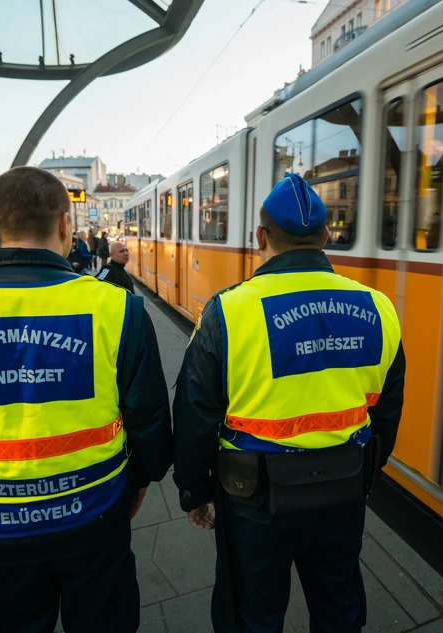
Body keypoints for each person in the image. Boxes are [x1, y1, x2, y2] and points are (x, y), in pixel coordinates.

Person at [0, 166, 172, 632]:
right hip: (95, 513)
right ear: (66, 225)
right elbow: (149, 420)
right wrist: (140, 481)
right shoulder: (116, 306)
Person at [173, 173, 406, 633]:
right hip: (342, 489)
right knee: (339, 607)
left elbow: (194, 411)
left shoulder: (229, 310)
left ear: (261, 237)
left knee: (253, 615)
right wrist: (365, 471)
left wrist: (194, 492)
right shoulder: (379, 307)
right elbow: (388, 409)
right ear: (325, 237)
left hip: (255, 500)